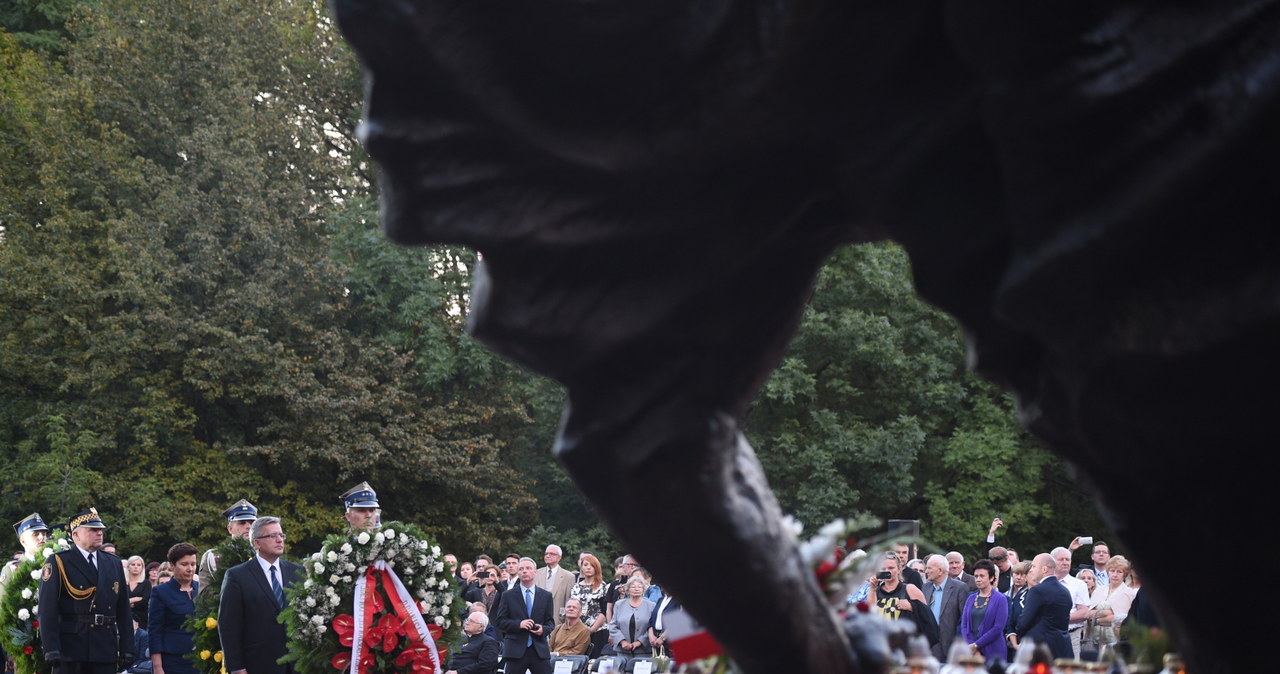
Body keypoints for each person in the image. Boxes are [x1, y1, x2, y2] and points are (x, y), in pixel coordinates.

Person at [38, 508, 135, 674]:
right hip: (71, 649)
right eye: (93, 530)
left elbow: (123, 609)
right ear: (76, 535)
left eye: (100, 530)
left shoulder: (112, 562)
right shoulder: (60, 561)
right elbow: (47, 609)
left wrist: (127, 647)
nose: (99, 533)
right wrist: (50, 648)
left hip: (105, 646)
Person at [218, 516, 303, 674]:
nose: (279, 540)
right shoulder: (237, 576)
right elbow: (229, 627)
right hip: (259, 664)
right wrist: (237, 668)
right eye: (272, 536)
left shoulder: (297, 571)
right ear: (256, 542)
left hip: (296, 665)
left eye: (281, 535)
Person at [494, 557, 554, 674]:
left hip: (539, 650)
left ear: (535, 572)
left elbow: (550, 622)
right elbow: (500, 621)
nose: (524, 571)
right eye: (521, 569)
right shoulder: (508, 595)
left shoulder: (546, 596)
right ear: (518, 573)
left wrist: (543, 629)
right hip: (515, 650)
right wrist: (519, 624)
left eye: (528, 568)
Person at [148, 543, 199, 674]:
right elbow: (155, 630)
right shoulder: (161, 592)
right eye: (184, 564)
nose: (190, 569)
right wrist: (158, 667)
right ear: (172, 565)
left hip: (202, 659)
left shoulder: (202, 589)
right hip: (173, 660)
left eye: (193, 564)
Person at [869, 553, 938, 647]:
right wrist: (872, 588)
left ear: (899, 569)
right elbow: (869, 615)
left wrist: (912, 605)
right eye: (883, 569)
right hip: (881, 646)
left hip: (906, 647)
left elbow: (927, 617)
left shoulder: (910, 589)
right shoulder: (875, 591)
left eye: (891, 568)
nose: (887, 571)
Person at [1014, 553, 1072, 659]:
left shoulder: (1037, 591)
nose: (1031, 570)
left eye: (1034, 566)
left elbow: (1024, 621)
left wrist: (1021, 635)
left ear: (1044, 569)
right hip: (1063, 647)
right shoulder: (1065, 591)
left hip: (1040, 650)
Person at [198, 499, 257, 595]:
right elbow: (205, 594)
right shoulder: (214, 557)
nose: (248, 526)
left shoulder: (265, 554)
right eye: (242, 523)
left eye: (252, 523)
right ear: (230, 529)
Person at [958, 559, 1009, 665]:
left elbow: (998, 628)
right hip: (971, 651)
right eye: (976, 576)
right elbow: (964, 625)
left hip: (993, 651)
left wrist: (976, 645)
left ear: (991, 578)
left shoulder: (1001, 599)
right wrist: (971, 646)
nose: (978, 579)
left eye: (982, 576)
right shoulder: (970, 598)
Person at [922, 554, 967, 660]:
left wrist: (959, 642)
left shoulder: (959, 588)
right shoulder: (925, 587)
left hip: (949, 643)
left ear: (940, 571)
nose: (926, 571)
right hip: (928, 642)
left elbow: (963, 619)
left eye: (929, 568)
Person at [1051, 547, 1092, 658]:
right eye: (1061, 559)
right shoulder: (1043, 583)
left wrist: (1059, 618)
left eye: (1067, 559)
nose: (1065, 562)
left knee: (1072, 669)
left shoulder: (1079, 584)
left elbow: (1084, 612)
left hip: (1072, 635)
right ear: (1052, 561)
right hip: (1048, 636)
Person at [607, 577, 655, 670]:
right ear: (628, 589)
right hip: (622, 652)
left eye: (639, 587)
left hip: (644, 653)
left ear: (643, 589)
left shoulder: (651, 606)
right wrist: (622, 641)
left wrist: (640, 642)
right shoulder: (619, 604)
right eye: (633, 586)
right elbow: (613, 625)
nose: (636, 589)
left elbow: (652, 627)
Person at [569, 553, 608, 658]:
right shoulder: (575, 587)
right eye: (585, 565)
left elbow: (604, 612)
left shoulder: (602, 587)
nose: (588, 568)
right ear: (581, 567)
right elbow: (571, 609)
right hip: (578, 631)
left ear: (597, 568)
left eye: (592, 565)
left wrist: (591, 630)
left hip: (598, 631)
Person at [1, 513, 49, 591]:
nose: (42, 537)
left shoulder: (52, 564)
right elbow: (3, 602)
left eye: (44, 534)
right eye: (35, 534)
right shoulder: (12, 570)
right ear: (23, 541)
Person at [534, 545, 575, 626]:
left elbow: (568, 600)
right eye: (546, 554)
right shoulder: (536, 573)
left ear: (559, 558)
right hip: (537, 620)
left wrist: (565, 620)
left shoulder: (568, 576)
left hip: (558, 621)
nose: (548, 556)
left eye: (552, 554)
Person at [1003, 560, 1033, 659]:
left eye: (1023, 575)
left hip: (1023, 640)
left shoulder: (1029, 594)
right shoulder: (1006, 594)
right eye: (1016, 574)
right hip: (1006, 638)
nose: (1019, 577)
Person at [548, 598, 591, 664]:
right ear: (564, 611)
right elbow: (549, 646)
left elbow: (578, 652)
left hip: (570, 664)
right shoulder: (558, 628)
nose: (571, 609)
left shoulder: (584, 630)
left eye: (574, 607)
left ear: (580, 612)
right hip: (551, 661)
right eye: (568, 607)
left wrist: (558, 654)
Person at [125, 556, 152, 630]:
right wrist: (134, 599)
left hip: (141, 618)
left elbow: (144, 602)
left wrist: (126, 603)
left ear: (142, 568)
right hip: (124, 617)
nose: (136, 567)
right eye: (133, 564)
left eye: (138, 565)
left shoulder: (146, 583)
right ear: (128, 567)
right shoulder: (123, 583)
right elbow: (119, 601)